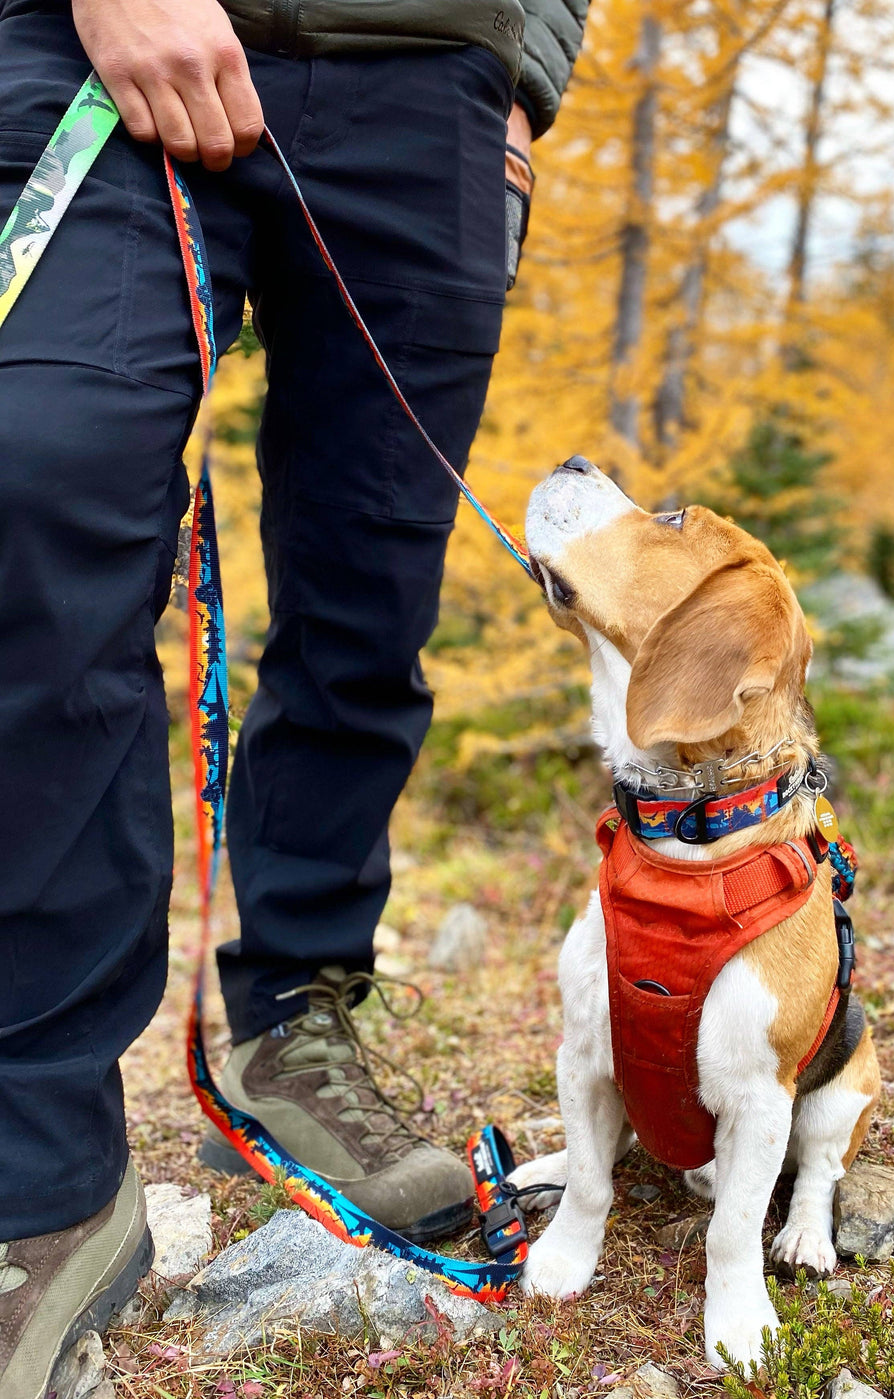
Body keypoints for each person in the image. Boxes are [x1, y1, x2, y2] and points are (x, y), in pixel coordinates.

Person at [0, 0, 586, 1391]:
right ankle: (39, 1172)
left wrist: (523, 68)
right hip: (101, 41)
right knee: (36, 482)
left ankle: (291, 1026)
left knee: (368, 585)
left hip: (435, 85)